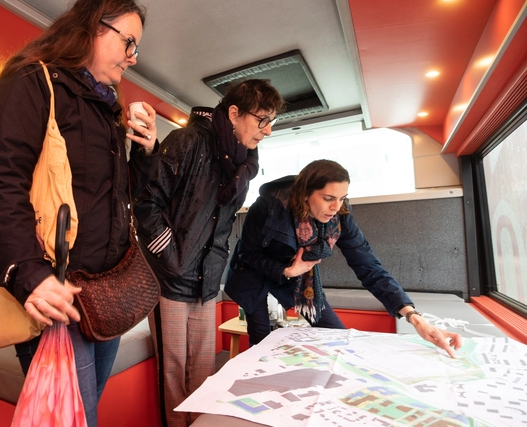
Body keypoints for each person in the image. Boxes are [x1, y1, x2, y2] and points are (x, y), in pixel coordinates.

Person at [0, 0, 158, 426]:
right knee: (75, 420)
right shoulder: (29, 80)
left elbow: (122, 202)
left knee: (81, 415)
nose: (133, 56)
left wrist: (146, 152)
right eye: (128, 41)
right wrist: (30, 276)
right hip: (56, 293)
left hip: (102, 295)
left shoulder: (109, 110)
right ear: (94, 27)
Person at [133, 79, 285, 427]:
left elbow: (220, 223)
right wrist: (170, 257)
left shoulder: (242, 164)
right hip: (169, 277)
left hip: (207, 279)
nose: (268, 131)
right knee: (173, 373)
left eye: (271, 122)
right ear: (234, 113)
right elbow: (146, 203)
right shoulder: (187, 141)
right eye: (262, 120)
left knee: (202, 372)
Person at [224, 159, 463, 358]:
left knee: (336, 335)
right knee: (261, 338)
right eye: (328, 198)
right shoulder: (268, 206)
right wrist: (286, 271)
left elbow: (368, 266)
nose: (336, 207)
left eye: (342, 198)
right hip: (254, 273)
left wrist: (412, 315)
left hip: (300, 276)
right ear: (305, 194)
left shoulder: (340, 216)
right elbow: (247, 253)